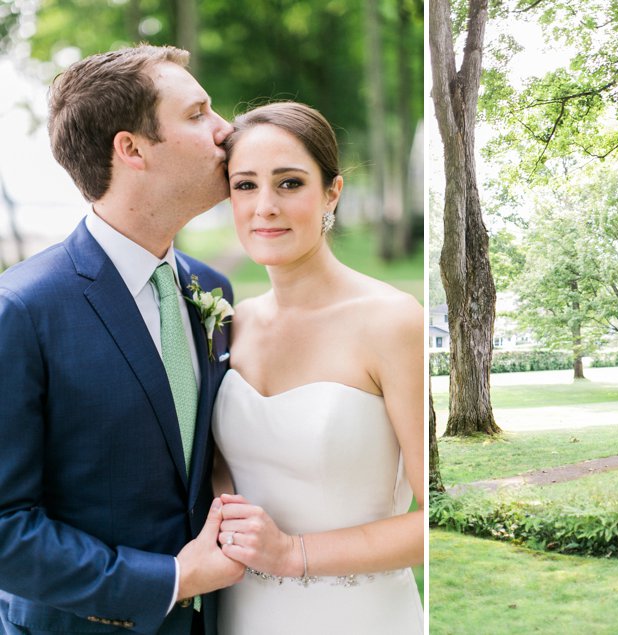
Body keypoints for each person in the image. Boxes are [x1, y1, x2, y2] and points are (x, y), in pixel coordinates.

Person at [0, 45, 244, 634]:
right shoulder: (22, 309)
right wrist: (170, 581)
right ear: (130, 148)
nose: (226, 129)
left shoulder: (212, 290)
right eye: (197, 113)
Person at [211, 101, 424, 633]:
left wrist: (292, 554)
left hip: (358, 615)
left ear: (333, 192)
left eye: (289, 183)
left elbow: (438, 522)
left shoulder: (391, 322)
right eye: (245, 185)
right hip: (243, 612)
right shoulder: (226, 324)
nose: (265, 207)